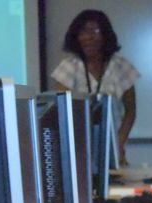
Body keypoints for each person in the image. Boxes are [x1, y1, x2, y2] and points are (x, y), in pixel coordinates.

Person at [52, 9, 139, 166]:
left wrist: (118, 144)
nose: (87, 37)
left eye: (94, 31)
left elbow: (130, 112)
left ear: (106, 35)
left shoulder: (121, 67)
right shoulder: (68, 67)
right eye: (82, 32)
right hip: (76, 150)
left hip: (113, 147)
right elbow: (60, 111)